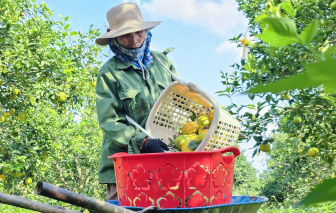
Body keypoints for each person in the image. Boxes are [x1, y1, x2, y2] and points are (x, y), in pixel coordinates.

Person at [94, 2, 177, 201]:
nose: (134, 40)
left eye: (138, 32)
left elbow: (179, 102)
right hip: (125, 162)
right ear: (115, 38)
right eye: (125, 35)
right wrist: (143, 142)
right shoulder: (109, 73)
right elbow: (109, 121)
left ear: (145, 30)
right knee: (122, 207)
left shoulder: (162, 63)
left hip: (163, 157)